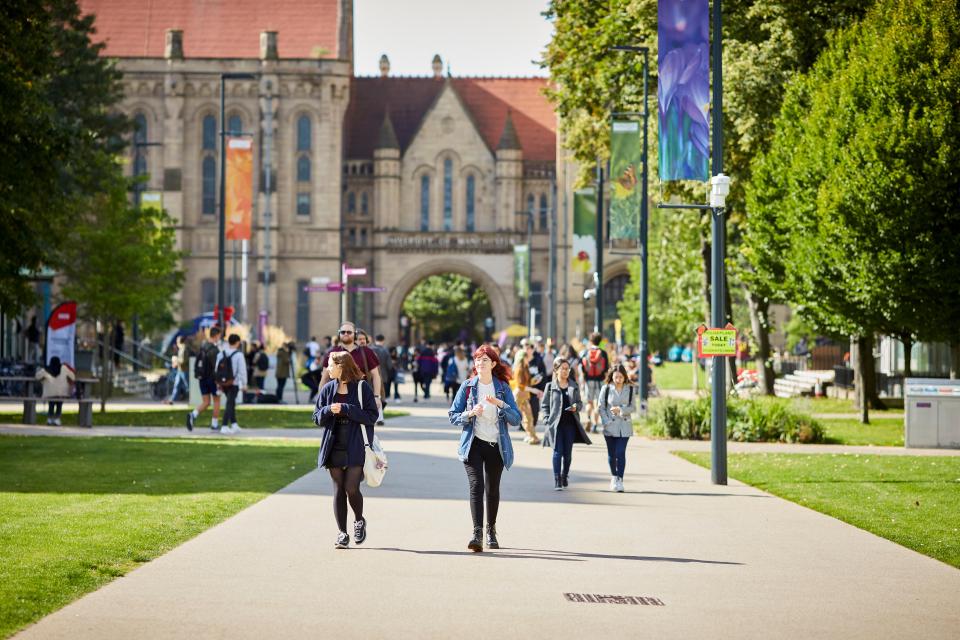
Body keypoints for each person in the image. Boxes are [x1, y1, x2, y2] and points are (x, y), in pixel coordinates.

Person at [448, 345, 522, 552]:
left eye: (485, 360)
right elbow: (453, 415)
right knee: (476, 487)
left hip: (497, 445)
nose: (480, 363)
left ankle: (491, 530)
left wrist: (501, 404)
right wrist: (470, 413)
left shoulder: (503, 388)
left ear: (494, 364)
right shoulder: (468, 387)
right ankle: (477, 533)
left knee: (492, 490)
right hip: (473, 444)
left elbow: (516, 419)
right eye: (478, 360)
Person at [313, 351, 379, 549]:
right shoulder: (327, 389)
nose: (328, 369)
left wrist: (345, 409)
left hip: (355, 443)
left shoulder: (362, 388)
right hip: (333, 444)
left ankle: (359, 520)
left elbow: (371, 416)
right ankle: (342, 533)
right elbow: (316, 417)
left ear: (341, 366)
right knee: (338, 490)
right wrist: (327, 410)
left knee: (351, 487)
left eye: (331, 365)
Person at [541, 359, 591, 490]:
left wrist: (576, 407)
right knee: (557, 452)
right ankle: (557, 479)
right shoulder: (550, 387)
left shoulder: (573, 385)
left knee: (567, 454)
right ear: (556, 370)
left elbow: (580, 403)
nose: (565, 371)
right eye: (562, 368)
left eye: (567, 369)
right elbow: (545, 405)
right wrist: (546, 419)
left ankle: (565, 475)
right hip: (555, 425)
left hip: (570, 425)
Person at [318, 322, 383, 416]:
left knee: (360, 428)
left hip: (361, 397)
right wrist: (320, 399)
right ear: (339, 334)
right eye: (343, 332)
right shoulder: (332, 352)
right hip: (336, 398)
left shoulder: (366, 352)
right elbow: (324, 378)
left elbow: (376, 375)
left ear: (355, 334)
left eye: (349, 332)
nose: (345, 334)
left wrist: (377, 396)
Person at [598, 365, 635, 492]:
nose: (618, 379)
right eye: (615, 377)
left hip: (625, 425)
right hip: (610, 425)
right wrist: (606, 421)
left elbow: (632, 407)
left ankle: (620, 479)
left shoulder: (630, 389)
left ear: (625, 377)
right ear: (612, 377)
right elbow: (601, 407)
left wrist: (621, 410)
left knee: (620, 452)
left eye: (620, 377)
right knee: (612, 454)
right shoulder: (606, 388)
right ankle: (614, 476)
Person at [186, 327, 222, 431]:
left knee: (206, 402)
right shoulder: (214, 350)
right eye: (219, 336)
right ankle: (214, 424)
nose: (219, 338)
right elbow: (216, 367)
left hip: (202, 378)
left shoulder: (202, 347)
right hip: (212, 379)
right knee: (216, 401)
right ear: (216, 336)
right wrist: (218, 381)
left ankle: (193, 414)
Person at [215, 333, 247, 434]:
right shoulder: (239, 355)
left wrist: (218, 382)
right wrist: (244, 383)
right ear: (237, 342)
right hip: (234, 382)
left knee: (231, 402)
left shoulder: (221, 353)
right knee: (230, 403)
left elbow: (216, 368)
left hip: (223, 383)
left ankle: (234, 424)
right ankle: (224, 425)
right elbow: (242, 370)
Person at [580, 332, 610, 432]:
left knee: (589, 402)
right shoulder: (603, 353)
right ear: (600, 341)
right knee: (598, 403)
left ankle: (588, 419)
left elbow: (583, 368)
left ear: (591, 341)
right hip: (600, 380)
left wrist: (584, 379)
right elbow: (606, 369)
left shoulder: (585, 352)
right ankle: (595, 425)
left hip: (589, 380)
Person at [511, 349, 542, 445]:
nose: (528, 359)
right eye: (526, 357)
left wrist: (534, 381)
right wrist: (534, 390)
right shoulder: (519, 369)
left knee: (528, 417)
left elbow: (525, 383)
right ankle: (532, 436)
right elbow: (520, 385)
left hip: (523, 395)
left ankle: (532, 436)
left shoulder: (524, 368)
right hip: (519, 395)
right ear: (522, 358)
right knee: (510, 416)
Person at [35, 356, 74, 426]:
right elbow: (73, 377)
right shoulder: (64, 368)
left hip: (49, 393)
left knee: (51, 404)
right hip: (62, 392)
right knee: (59, 404)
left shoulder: (46, 369)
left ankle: (50, 419)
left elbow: (37, 376)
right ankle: (57, 419)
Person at [369, 334, 394, 423]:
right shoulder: (385, 351)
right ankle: (379, 417)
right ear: (383, 340)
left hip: (370, 377)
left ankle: (374, 416)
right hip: (383, 376)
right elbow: (389, 365)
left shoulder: (370, 350)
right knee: (380, 397)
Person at [164, 336, 189, 404]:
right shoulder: (181, 349)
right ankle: (172, 400)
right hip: (180, 370)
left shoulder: (184, 349)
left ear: (179, 342)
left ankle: (192, 398)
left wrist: (176, 361)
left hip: (184, 370)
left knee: (188, 385)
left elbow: (184, 360)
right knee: (177, 385)